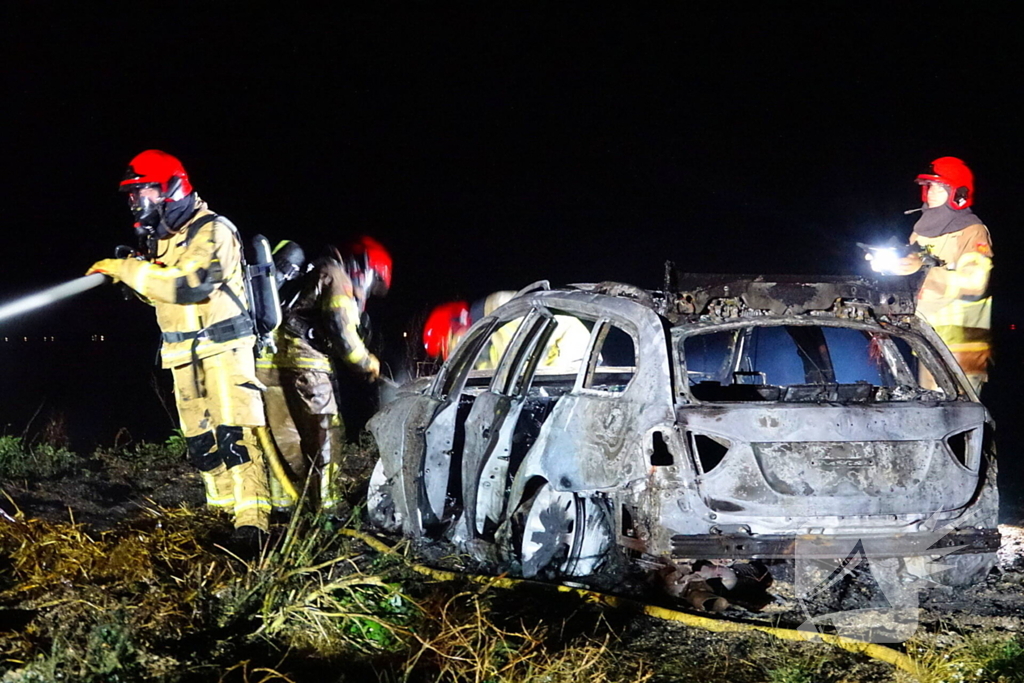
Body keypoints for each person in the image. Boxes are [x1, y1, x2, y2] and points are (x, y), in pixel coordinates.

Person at [87, 150, 271, 549]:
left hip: (223, 349)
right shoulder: (165, 242)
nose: (137, 204)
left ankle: (253, 524)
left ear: (171, 188)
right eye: (132, 197)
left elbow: (189, 284)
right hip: (183, 355)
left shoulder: (214, 230)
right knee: (202, 442)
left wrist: (126, 270)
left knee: (235, 436)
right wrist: (136, 277)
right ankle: (222, 512)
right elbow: (165, 298)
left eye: (143, 193)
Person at [256, 237, 390, 513]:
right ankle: (327, 506)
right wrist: (366, 362)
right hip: (306, 368)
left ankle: (285, 503)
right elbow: (341, 330)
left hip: (268, 367)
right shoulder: (336, 275)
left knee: (284, 437)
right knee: (324, 433)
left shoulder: (310, 274)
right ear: (365, 269)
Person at [872, 156, 993, 393]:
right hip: (927, 342)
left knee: (957, 419)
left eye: (941, 187)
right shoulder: (921, 232)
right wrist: (889, 266)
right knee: (930, 414)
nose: (932, 192)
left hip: (960, 349)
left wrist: (921, 271)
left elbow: (976, 282)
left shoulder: (972, 231)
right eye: (930, 186)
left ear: (959, 193)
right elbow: (910, 276)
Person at [422, 291, 591, 371]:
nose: (453, 352)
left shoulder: (500, 309)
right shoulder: (484, 349)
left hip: (571, 356)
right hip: (552, 375)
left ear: (459, 323)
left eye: (449, 343)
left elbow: (520, 358)